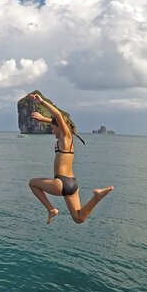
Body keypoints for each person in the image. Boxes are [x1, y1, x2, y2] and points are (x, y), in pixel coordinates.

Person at [27, 93, 114, 224]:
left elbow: (58, 117)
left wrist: (42, 102)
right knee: (78, 218)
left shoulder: (65, 137)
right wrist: (44, 119)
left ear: (59, 128)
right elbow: (56, 121)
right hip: (72, 184)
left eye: (53, 129)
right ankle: (97, 196)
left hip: (60, 183)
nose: (52, 132)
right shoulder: (67, 139)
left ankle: (51, 209)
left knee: (32, 183)